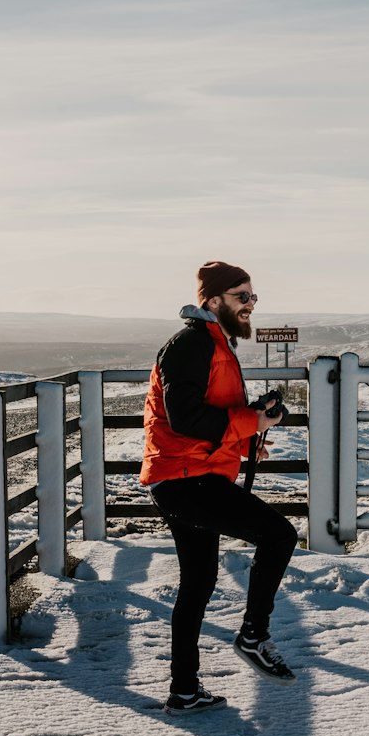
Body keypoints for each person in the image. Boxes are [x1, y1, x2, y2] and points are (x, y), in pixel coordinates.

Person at [140, 260, 299, 713]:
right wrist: (252, 420)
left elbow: (209, 417)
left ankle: (184, 691)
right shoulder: (191, 344)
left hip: (189, 477)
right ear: (212, 300)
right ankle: (253, 636)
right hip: (186, 481)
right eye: (241, 297)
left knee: (199, 581)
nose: (250, 305)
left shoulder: (215, 344)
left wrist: (250, 436)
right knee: (279, 534)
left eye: (253, 297)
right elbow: (184, 419)